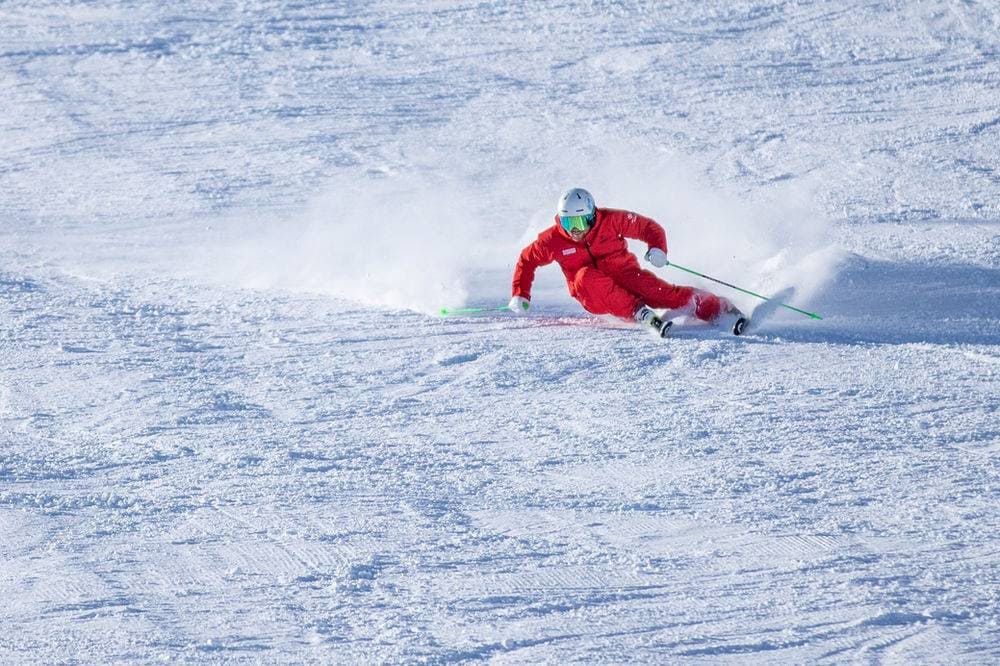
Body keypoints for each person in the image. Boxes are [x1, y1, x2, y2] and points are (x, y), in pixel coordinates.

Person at [508, 187, 737, 335]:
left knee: (663, 293)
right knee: (586, 275)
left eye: (579, 222)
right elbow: (526, 260)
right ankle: (639, 313)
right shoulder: (553, 240)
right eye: (568, 223)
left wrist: (657, 248)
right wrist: (520, 293)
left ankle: (719, 309)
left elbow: (648, 227)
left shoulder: (611, 220)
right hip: (591, 292)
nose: (575, 230)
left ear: (591, 215)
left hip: (626, 274)